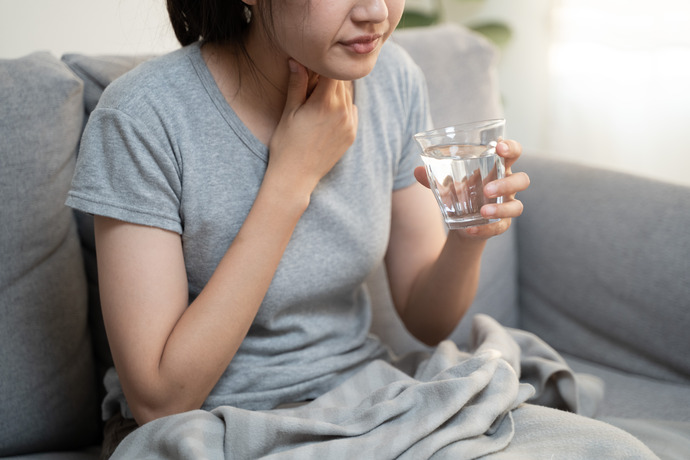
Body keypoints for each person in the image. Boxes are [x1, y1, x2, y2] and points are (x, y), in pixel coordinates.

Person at [66, 0, 658, 459]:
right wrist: (290, 179)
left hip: (364, 396)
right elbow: (161, 400)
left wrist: (466, 236)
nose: (377, 12)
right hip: (217, 426)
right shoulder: (142, 117)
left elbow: (426, 318)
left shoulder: (391, 78)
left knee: (614, 451)